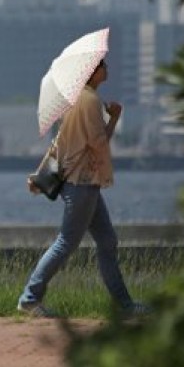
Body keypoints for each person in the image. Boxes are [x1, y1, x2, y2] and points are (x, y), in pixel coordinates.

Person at [17, 59, 150, 319]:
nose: (107, 68)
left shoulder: (75, 99)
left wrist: (40, 174)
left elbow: (60, 142)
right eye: (103, 65)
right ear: (93, 72)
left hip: (85, 184)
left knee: (107, 240)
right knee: (65, 243)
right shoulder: (89, 102)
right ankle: (30, 298)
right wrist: (114, 119)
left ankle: (125, 306)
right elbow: (99, 143)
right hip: (83, 183)